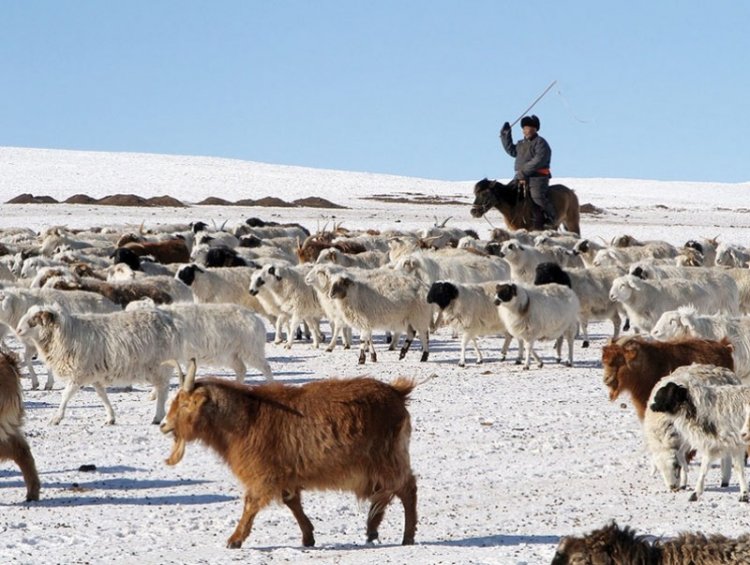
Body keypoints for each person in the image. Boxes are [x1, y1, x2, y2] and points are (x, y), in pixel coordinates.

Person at [499, 115, 556, 230]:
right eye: (524, 128)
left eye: (529, 128)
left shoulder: (541, 143)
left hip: (537, 177)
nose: (526, 130)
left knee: (537, 197)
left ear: (535, 129)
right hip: (520, 176)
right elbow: (511, 150)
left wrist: (524, 172)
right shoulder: (521, 144)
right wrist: (505, 135)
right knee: (508, 193)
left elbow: (539, 160)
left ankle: (550, 217)